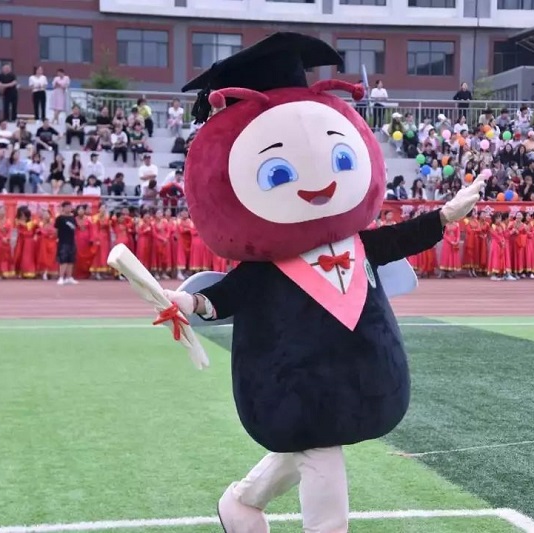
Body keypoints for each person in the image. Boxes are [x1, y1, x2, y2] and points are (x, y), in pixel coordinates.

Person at [168, 32, 487, 532]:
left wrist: (445, 215)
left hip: (344, 384)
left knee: (306, 449)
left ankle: (240, 504)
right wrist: (190, 302)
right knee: (321, 457)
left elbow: (397, 239)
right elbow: (227, 296)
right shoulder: (267, 265)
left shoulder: (357, 244)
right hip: (293, 385)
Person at [55, 201, 78, 285]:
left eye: (70, 207)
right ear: (63, 208)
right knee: (63, 260)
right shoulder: (59, 218)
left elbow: (75, 228)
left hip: (71, 241)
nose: (69, 208)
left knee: (71, 260)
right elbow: (56, 230)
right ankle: (61, 277)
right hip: (63, 241)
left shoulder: (73, 218)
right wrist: (57, 238)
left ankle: (69, 277)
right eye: (67, 207)